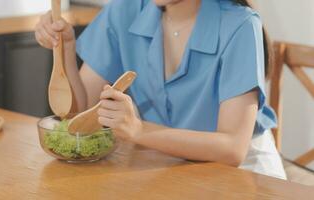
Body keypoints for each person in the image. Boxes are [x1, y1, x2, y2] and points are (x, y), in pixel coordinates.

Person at [34, 0, 286, 179]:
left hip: (244, 173)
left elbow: (232, 149)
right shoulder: (124, 10)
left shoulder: (240, 24)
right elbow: (81, 113)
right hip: (164, 163)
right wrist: (65, 50)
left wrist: (139, 130)